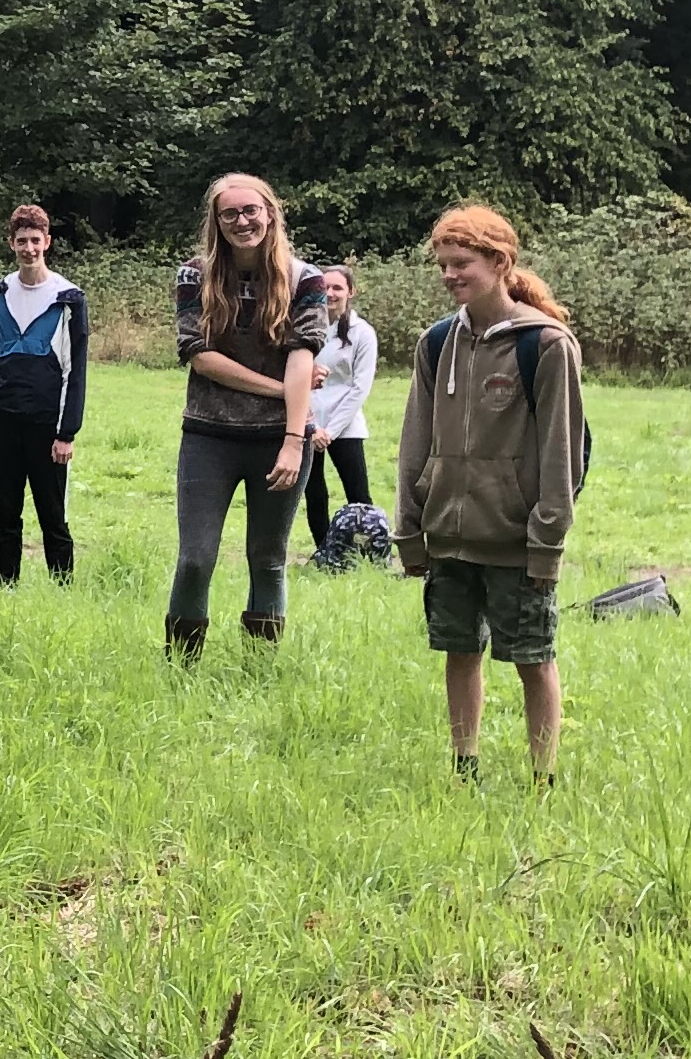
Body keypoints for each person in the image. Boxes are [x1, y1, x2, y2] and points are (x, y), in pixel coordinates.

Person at [397, 203, 590, 784]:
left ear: (500, 262)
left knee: (533, 659)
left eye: (462, 264)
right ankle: (464, 767)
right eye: (443, 266)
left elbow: (562, 451)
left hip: (516, 539)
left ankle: (543, 777)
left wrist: (546, 543)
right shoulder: (435, 343)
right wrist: (409, 529)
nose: (451, 275)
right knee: (460, 652)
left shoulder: (547, 346)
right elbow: (414, 440)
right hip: (449, 539)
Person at [170, 171, 331, 654]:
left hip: (280, 440)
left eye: (250, 211)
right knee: (195, 559)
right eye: (230, 214)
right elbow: (199, 354)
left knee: (269, 556)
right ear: (216, 223)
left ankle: (261, 665)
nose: (242, 221)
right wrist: (282, 390)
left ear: (270, 214)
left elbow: (303, 353)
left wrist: (293, 438)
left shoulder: (307, 279)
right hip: (208, 435)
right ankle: (181, 663)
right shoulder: (193, 276)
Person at [0, 204, 88, 585]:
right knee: (6, 513)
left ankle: (62, 589)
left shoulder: (69, 299)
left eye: (35, 240)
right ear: (11, 244)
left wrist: (67, 433)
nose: (29, 248)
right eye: (21, 241)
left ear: (47, 242)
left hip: (47, 423)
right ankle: (6, 588)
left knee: (53, 514)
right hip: (1, 419)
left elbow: (74, 370)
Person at [303, 260, 382, 561]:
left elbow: (359, 387)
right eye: (325, 287)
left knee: (358, 494)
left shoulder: (363, 333)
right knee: (313, 491)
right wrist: (310, 426)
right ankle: (326, 552)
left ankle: (371, 554)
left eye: (338, 287)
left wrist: (330, 431)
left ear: (351, 292)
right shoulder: (306, 325)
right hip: (308, 424)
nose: (331, 293)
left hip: (345, 426)